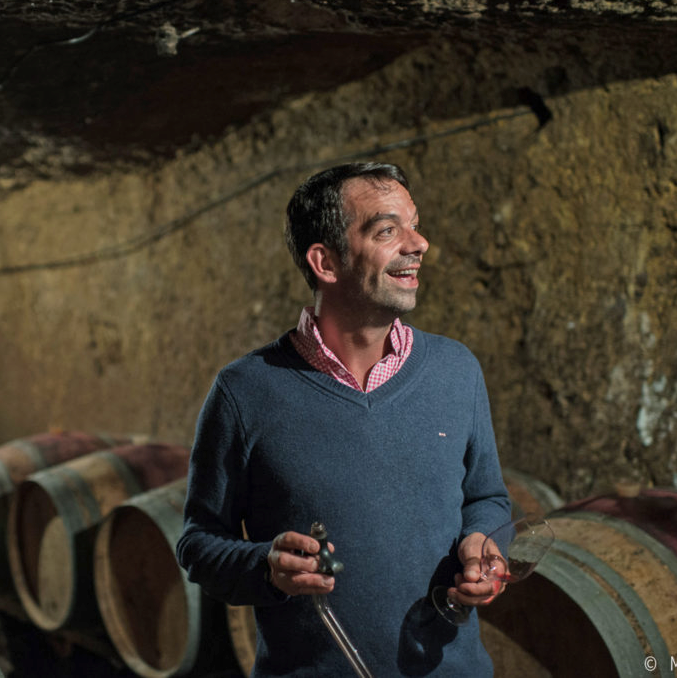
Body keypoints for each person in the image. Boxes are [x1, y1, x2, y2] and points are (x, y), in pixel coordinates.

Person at [176, 162, 511, 677]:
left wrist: (482, 542)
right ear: (325, 263)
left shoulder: (455, 370)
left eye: (415, 224)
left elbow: (488, 499)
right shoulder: (246, 391)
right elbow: (198, 544)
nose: (418, 243)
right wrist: (265, 566)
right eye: (387, 230)